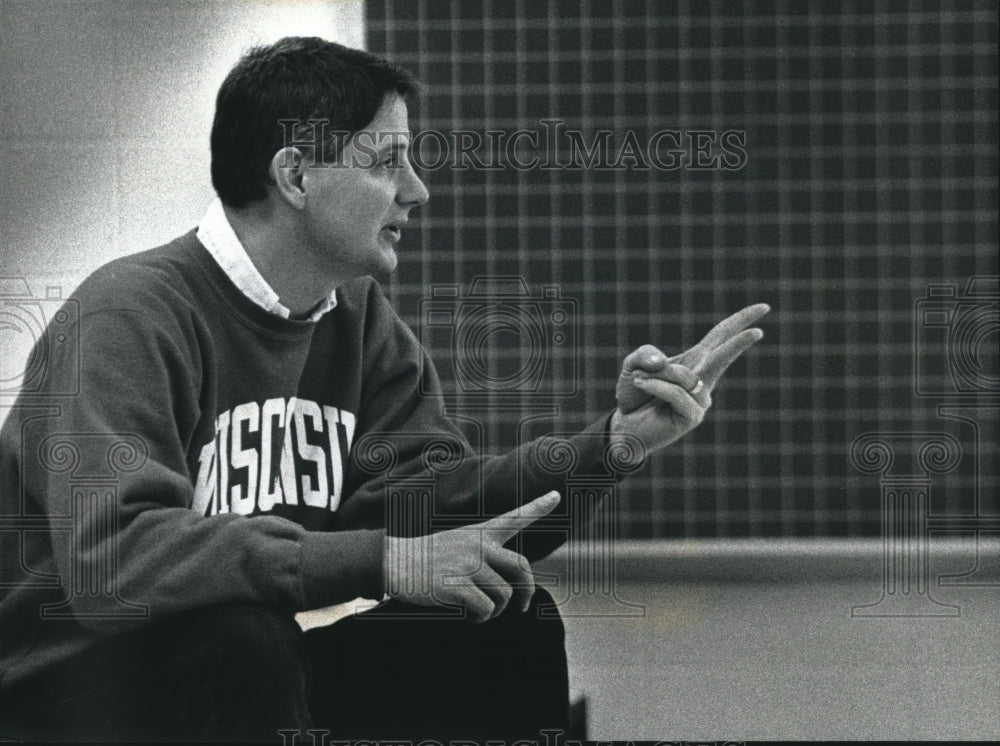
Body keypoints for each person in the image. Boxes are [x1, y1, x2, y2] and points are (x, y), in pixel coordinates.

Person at [0, 36, 768, 741]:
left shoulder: (355, 316)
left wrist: (611, 446)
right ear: (296, 175)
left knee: (503, 611)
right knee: (237, 631)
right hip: (68, 689)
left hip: (247, 670)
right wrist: (379, 561)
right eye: (386, 161)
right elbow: (114, 564)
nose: (417, 191)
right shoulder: (127, 316)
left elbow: (430, 510)